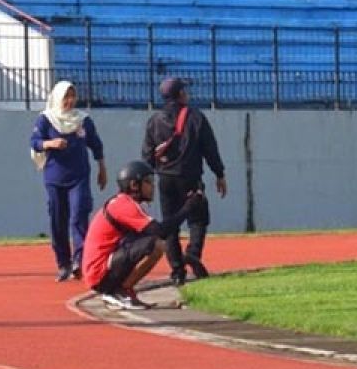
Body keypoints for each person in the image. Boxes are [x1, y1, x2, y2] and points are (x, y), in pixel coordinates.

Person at [81, 160, 204, 310]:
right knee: (156, 245)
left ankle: (121, 289)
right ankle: (120, 291)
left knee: (151, 242)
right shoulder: (125, 205)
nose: (152, 186)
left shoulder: (124, 203)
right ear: (134, 185)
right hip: (99, 272)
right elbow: (160, 232)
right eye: (148, 182)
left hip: (102, 268)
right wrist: (188, 208)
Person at [141, 77, 227, 285]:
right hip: (190, 178)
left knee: (170, 224)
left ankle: (177, 270)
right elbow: (210, 149)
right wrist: (219, 174)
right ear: (180, 94)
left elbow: (146, 155)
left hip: (165, 180)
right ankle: (193, 253)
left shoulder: (154, 120)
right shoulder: (195, 117)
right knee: (198, 219)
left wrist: (148, 183)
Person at [30, 81, 107, 281]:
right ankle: (63, 263)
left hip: (79, 176)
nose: (70, 101)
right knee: (58, 221)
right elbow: (35, 143)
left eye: (73, 96)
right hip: (55, 178)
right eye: (66, 97)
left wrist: (102, 168)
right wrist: (51, 143)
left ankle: (79, 261)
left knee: (78, 216)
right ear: (57, 98)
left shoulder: (83, 120)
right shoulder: (46, 119)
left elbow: (96, 145)